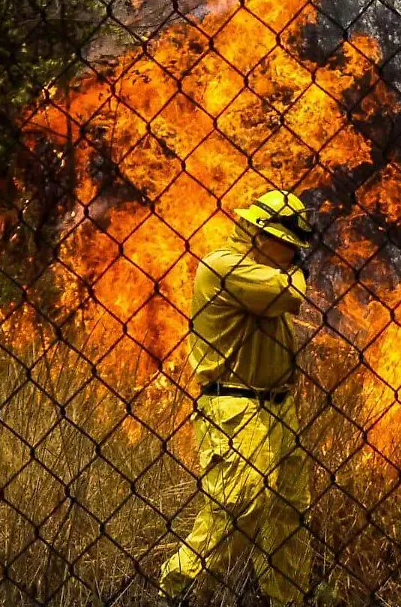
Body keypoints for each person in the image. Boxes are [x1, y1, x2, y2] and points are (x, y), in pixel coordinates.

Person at [159, 189, 314, 604]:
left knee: (289, 514)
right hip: (235, 405)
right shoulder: (225, 266)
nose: (293, 256)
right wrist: (297, 272)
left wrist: (289, 269)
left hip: (280, 407)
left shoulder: (263, 271)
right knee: (241, 505)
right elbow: (289, 293)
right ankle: (178, 586)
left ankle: (287, 599)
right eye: (289, 248)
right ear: (261, 234)